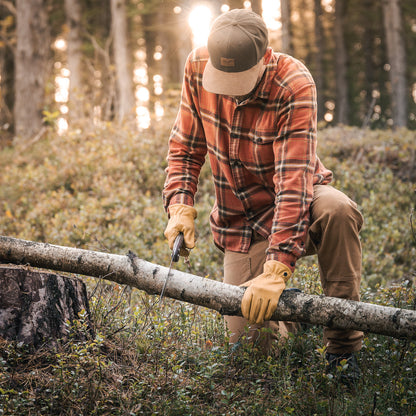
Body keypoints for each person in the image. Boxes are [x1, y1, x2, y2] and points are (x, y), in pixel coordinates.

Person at [163, 8, 363, 385]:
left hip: (300, 197)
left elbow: (293, 184)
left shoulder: (293, 83)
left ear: (264, 58)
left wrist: (276, 269)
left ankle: (341, 348)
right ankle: (294, 313)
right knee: (254, 351)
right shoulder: (196, 66)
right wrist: (180, 205)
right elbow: (186, 148)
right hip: (242, 222)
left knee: (337, 209)